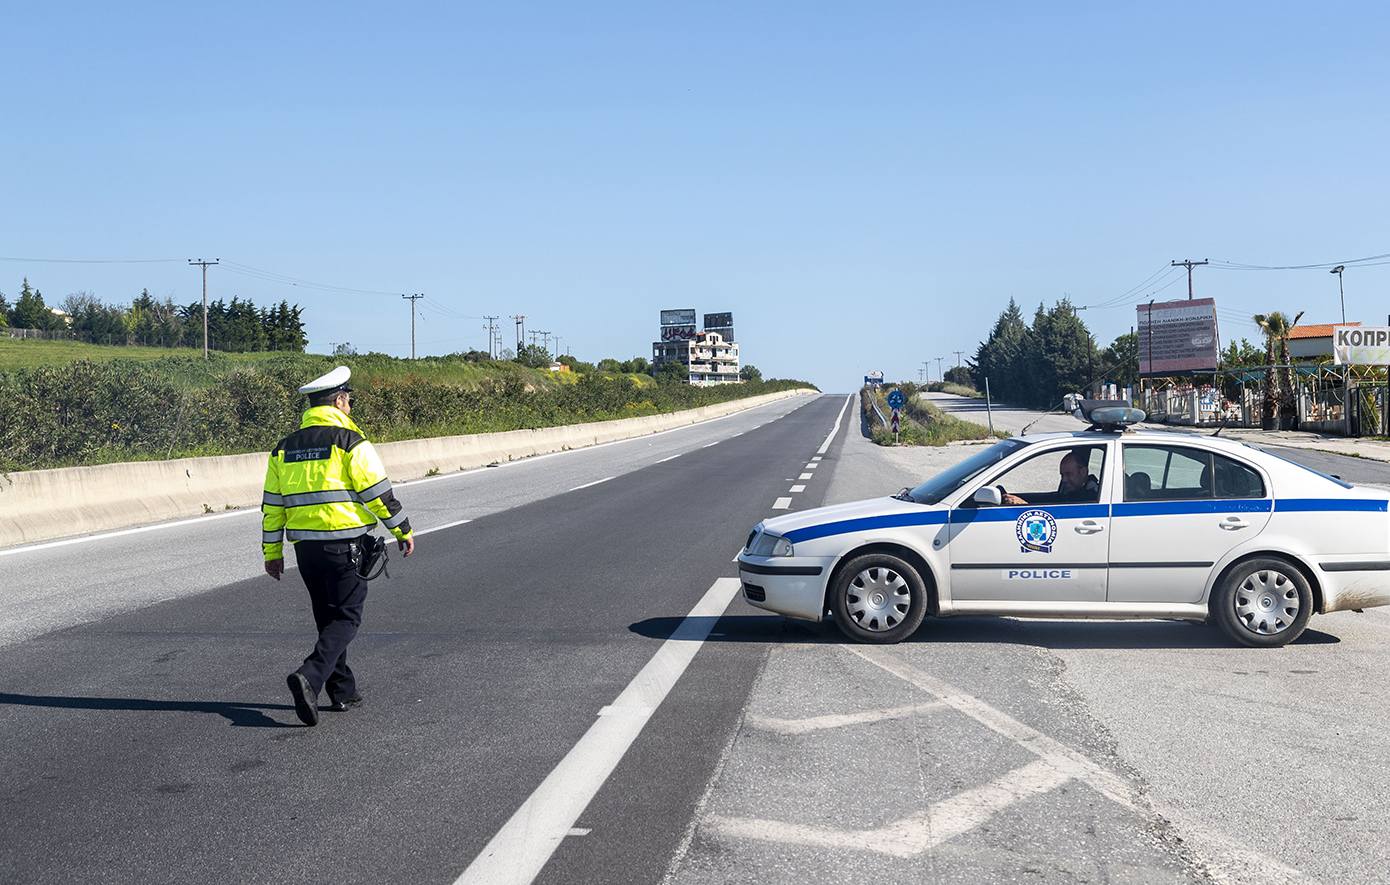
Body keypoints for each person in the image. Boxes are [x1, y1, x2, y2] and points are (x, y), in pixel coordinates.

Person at [262, 366, 416, 726]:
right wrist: (402, 529)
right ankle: (310, 677)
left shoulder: (283, 449)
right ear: (340, 400)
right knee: (346, 617)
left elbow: (273, 506)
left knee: (327, 618)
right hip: (345, 544)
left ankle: (343, 691)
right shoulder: (350, 442)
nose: (350, 408)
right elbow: (377, 492)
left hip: (306, 550)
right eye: (348, 402)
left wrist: (272, 553)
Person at [1001, 450, 1099, 506]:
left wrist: (1024, 506)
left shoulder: (1093, 495)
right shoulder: (1073, 493)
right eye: (1062, 475)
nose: (1064, 480)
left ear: (1083, 472)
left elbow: (1065, 516)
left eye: (1068, 474)